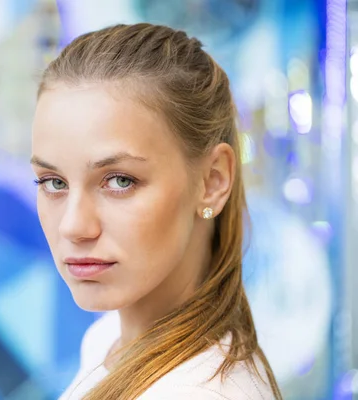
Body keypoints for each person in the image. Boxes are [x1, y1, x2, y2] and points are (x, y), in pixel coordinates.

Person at [31, 23, 283, 399]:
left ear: (212, 181)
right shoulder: (107, 342)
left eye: (119, 181)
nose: (74, 227)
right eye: (54, 182)